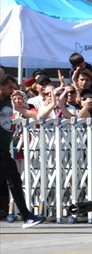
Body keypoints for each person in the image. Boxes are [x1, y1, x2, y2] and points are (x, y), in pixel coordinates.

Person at [1, 75, 42, 227]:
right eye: (10, 88)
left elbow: (33, 114)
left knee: (14, 180)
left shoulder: (9, 103)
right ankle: (26, 215)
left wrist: (20, 109)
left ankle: (26, 215)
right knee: (13, 180)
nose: (12, 91)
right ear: (1, 86)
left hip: (4, 150)